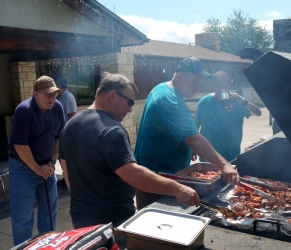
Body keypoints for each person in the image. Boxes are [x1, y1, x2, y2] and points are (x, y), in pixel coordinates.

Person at [59, 73, 200, 229]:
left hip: (80, 219)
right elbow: (132, 174)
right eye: (129, 102)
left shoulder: (70, 126)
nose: (130, 109)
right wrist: (177, 188)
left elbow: (68, 176)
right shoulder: (112, 130)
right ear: (113, 95)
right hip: (113, 221)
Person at [134, 57, 240, 210]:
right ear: (180, 77)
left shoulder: (162, 88)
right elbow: (194, 139)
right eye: (194, 82)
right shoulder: (170, 100)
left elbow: (179, 131)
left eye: (200, 83)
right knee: (157, 224)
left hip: (164, 171)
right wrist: (224, 165)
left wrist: (187, 148)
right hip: (157, 178)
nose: (198, 87)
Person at [8, 76, 65, 245]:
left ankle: (47, 246)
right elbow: (19, 145)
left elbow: (59, 138)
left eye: (54, 95)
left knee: (49, 214)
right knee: (23, 218)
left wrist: (52, 163)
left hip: (47, 166)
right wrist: (37, 169)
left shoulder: (57, 108)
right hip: (23, 168)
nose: (52, 99)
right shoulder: (23, 111)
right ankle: (22, 248)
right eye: (48, 95)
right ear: (35, 94)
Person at [194, 71, 262, 162]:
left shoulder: (237, 100)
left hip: (231, 153)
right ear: (213, 85)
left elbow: (258, 113)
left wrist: (243, 102)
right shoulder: (204, 102)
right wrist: (193, 147)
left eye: (225, 86)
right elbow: (195, 126)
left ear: (229, 85)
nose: (222, 89)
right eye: (219, 86)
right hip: (208, 154)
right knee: (208, 176)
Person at [55, 77, 77, 187]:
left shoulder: (68, 97)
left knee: (67, 157)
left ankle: (71, 179)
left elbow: (72, 117)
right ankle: (65, 178)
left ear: (59, 86)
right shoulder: (59, 98)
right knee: (62, 157)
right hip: (59, 133)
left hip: (67, 134)